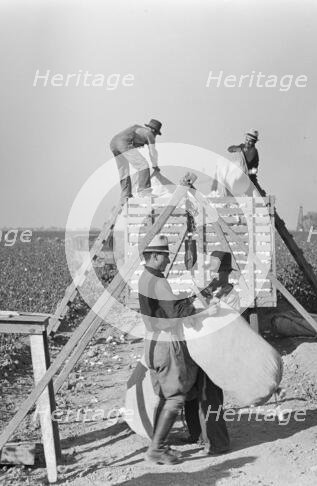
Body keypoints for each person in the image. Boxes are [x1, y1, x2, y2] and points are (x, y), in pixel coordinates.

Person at [138, 235, 218, 465]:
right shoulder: (160, 282)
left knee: (164, 395)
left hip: (151, 342)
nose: (167, 260)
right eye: (164, 256)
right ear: (154, 256)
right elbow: (175, 313)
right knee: (176, 396)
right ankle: (157, 449)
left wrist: (187, 300)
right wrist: (203, 312)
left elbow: (167, 307)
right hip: (165, 343)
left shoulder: (145, 278)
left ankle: (158, 442)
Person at [184, 251, 236, 455]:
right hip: (200, 347)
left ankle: (219, 443)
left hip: (216, 350)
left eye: (218, 272)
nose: (214, 276)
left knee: (210, 396)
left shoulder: (231, 295)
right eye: (212, 272)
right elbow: (192, 309)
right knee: (192, 393)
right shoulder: (208, 290)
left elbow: (227, 323)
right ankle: (197, 435)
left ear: (226, 273)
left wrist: (204, 310)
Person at [110, 119, 163, 203]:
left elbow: (134, 139)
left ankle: (125, 195)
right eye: (156, 134)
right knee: (143, 165)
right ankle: (144, 191)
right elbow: (153, 152)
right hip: (123, 143)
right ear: (153, 130)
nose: (155, 136)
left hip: (113, 143)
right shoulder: (149, 134)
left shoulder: (139, 129)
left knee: (123, 170)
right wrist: (155, 165)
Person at [227, 129, 266, 197]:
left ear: (254, 142)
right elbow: (229, 149)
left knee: (259, 197)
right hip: (241, 175)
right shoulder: (242, 146)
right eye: (247, 140)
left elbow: (249, 166)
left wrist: (248, 173)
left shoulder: (253, 152)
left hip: (250, 178)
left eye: (250, 141)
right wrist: (236, 148)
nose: (247, 142)